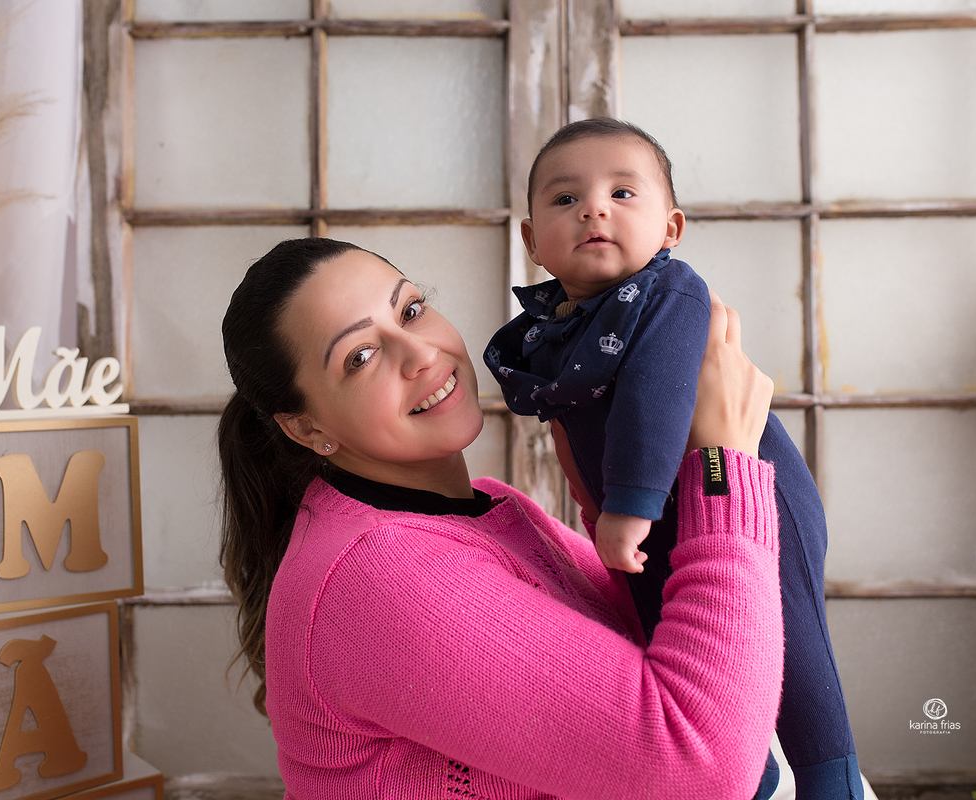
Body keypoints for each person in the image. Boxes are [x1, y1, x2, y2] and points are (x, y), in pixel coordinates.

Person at [219, 236, 781, 799]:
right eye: (360, 357)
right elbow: (703, 769)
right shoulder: (376, 573)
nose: (420, 354)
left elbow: (670, 642)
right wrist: (723, 464)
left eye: (410, 310)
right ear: (307, 428)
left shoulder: (487, 508)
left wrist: (617, 482)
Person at [483, 118, 862, 800]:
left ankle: (829, 777)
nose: (594, 208)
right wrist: (599, 505)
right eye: (566, 199)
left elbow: (654, 400)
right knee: (676, 644)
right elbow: (566, 427)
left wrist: (623, 507)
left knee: (794, 654)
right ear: (533, 242)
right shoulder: (549, 337)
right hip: (641, 517)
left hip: (747, 495)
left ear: (671, 228)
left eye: (623, 192)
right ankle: (747, 773)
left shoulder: (668, 295)